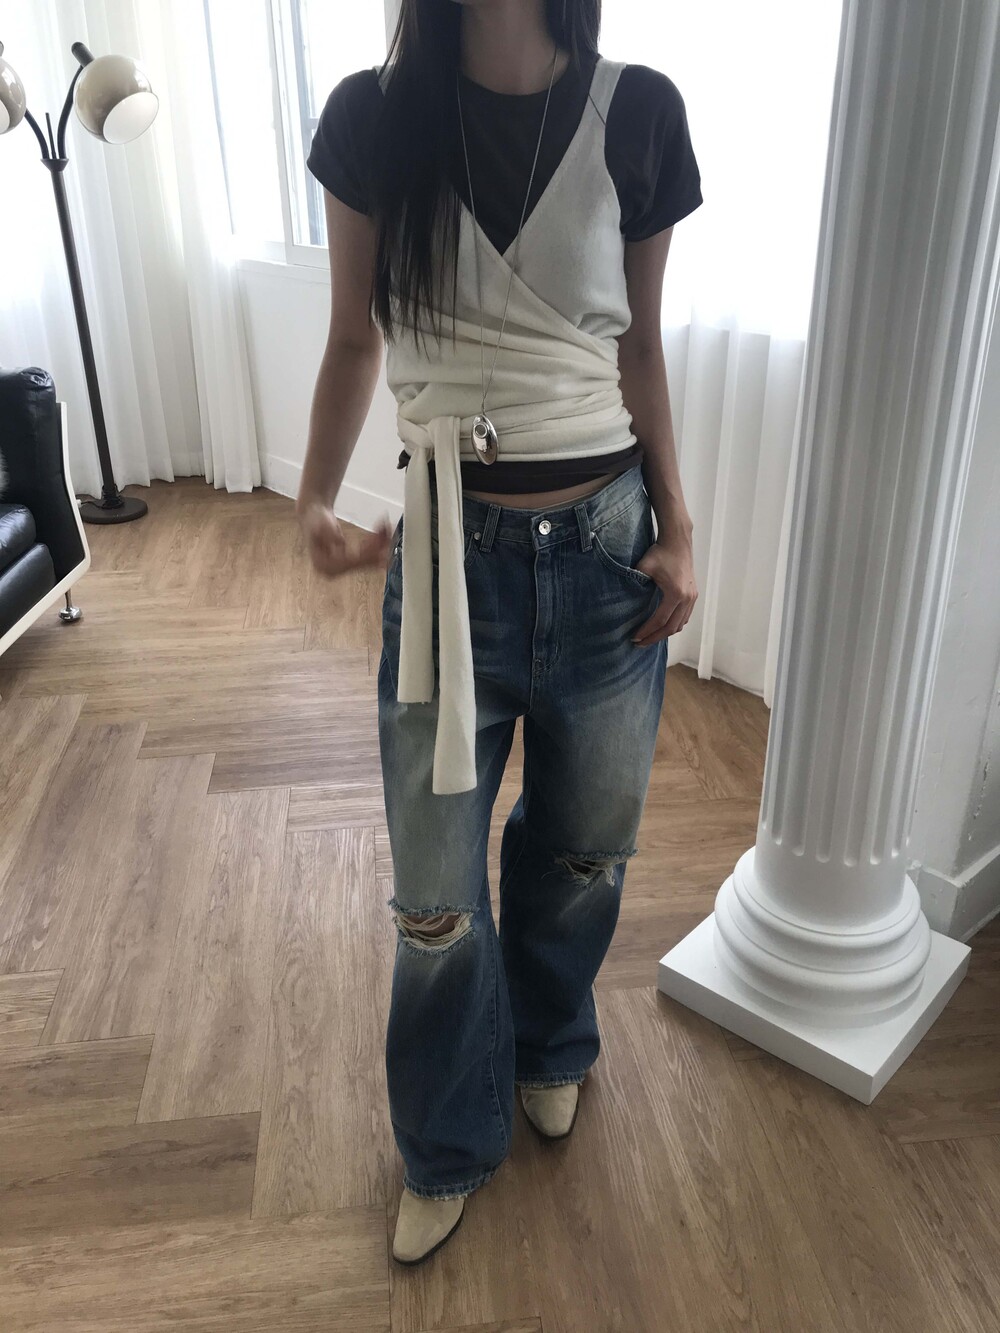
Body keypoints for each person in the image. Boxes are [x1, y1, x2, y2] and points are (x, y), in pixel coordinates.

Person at [297, 0, 701, 1267]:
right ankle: (445, 1138)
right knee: (432, 896)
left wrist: (681, 526)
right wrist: (312, 497)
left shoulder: (638, 110)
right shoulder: (371, 117)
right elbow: (353, 334)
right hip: (444, 554)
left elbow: (639, 352)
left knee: (582, 848)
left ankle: (549, 1039)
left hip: (606, 552)